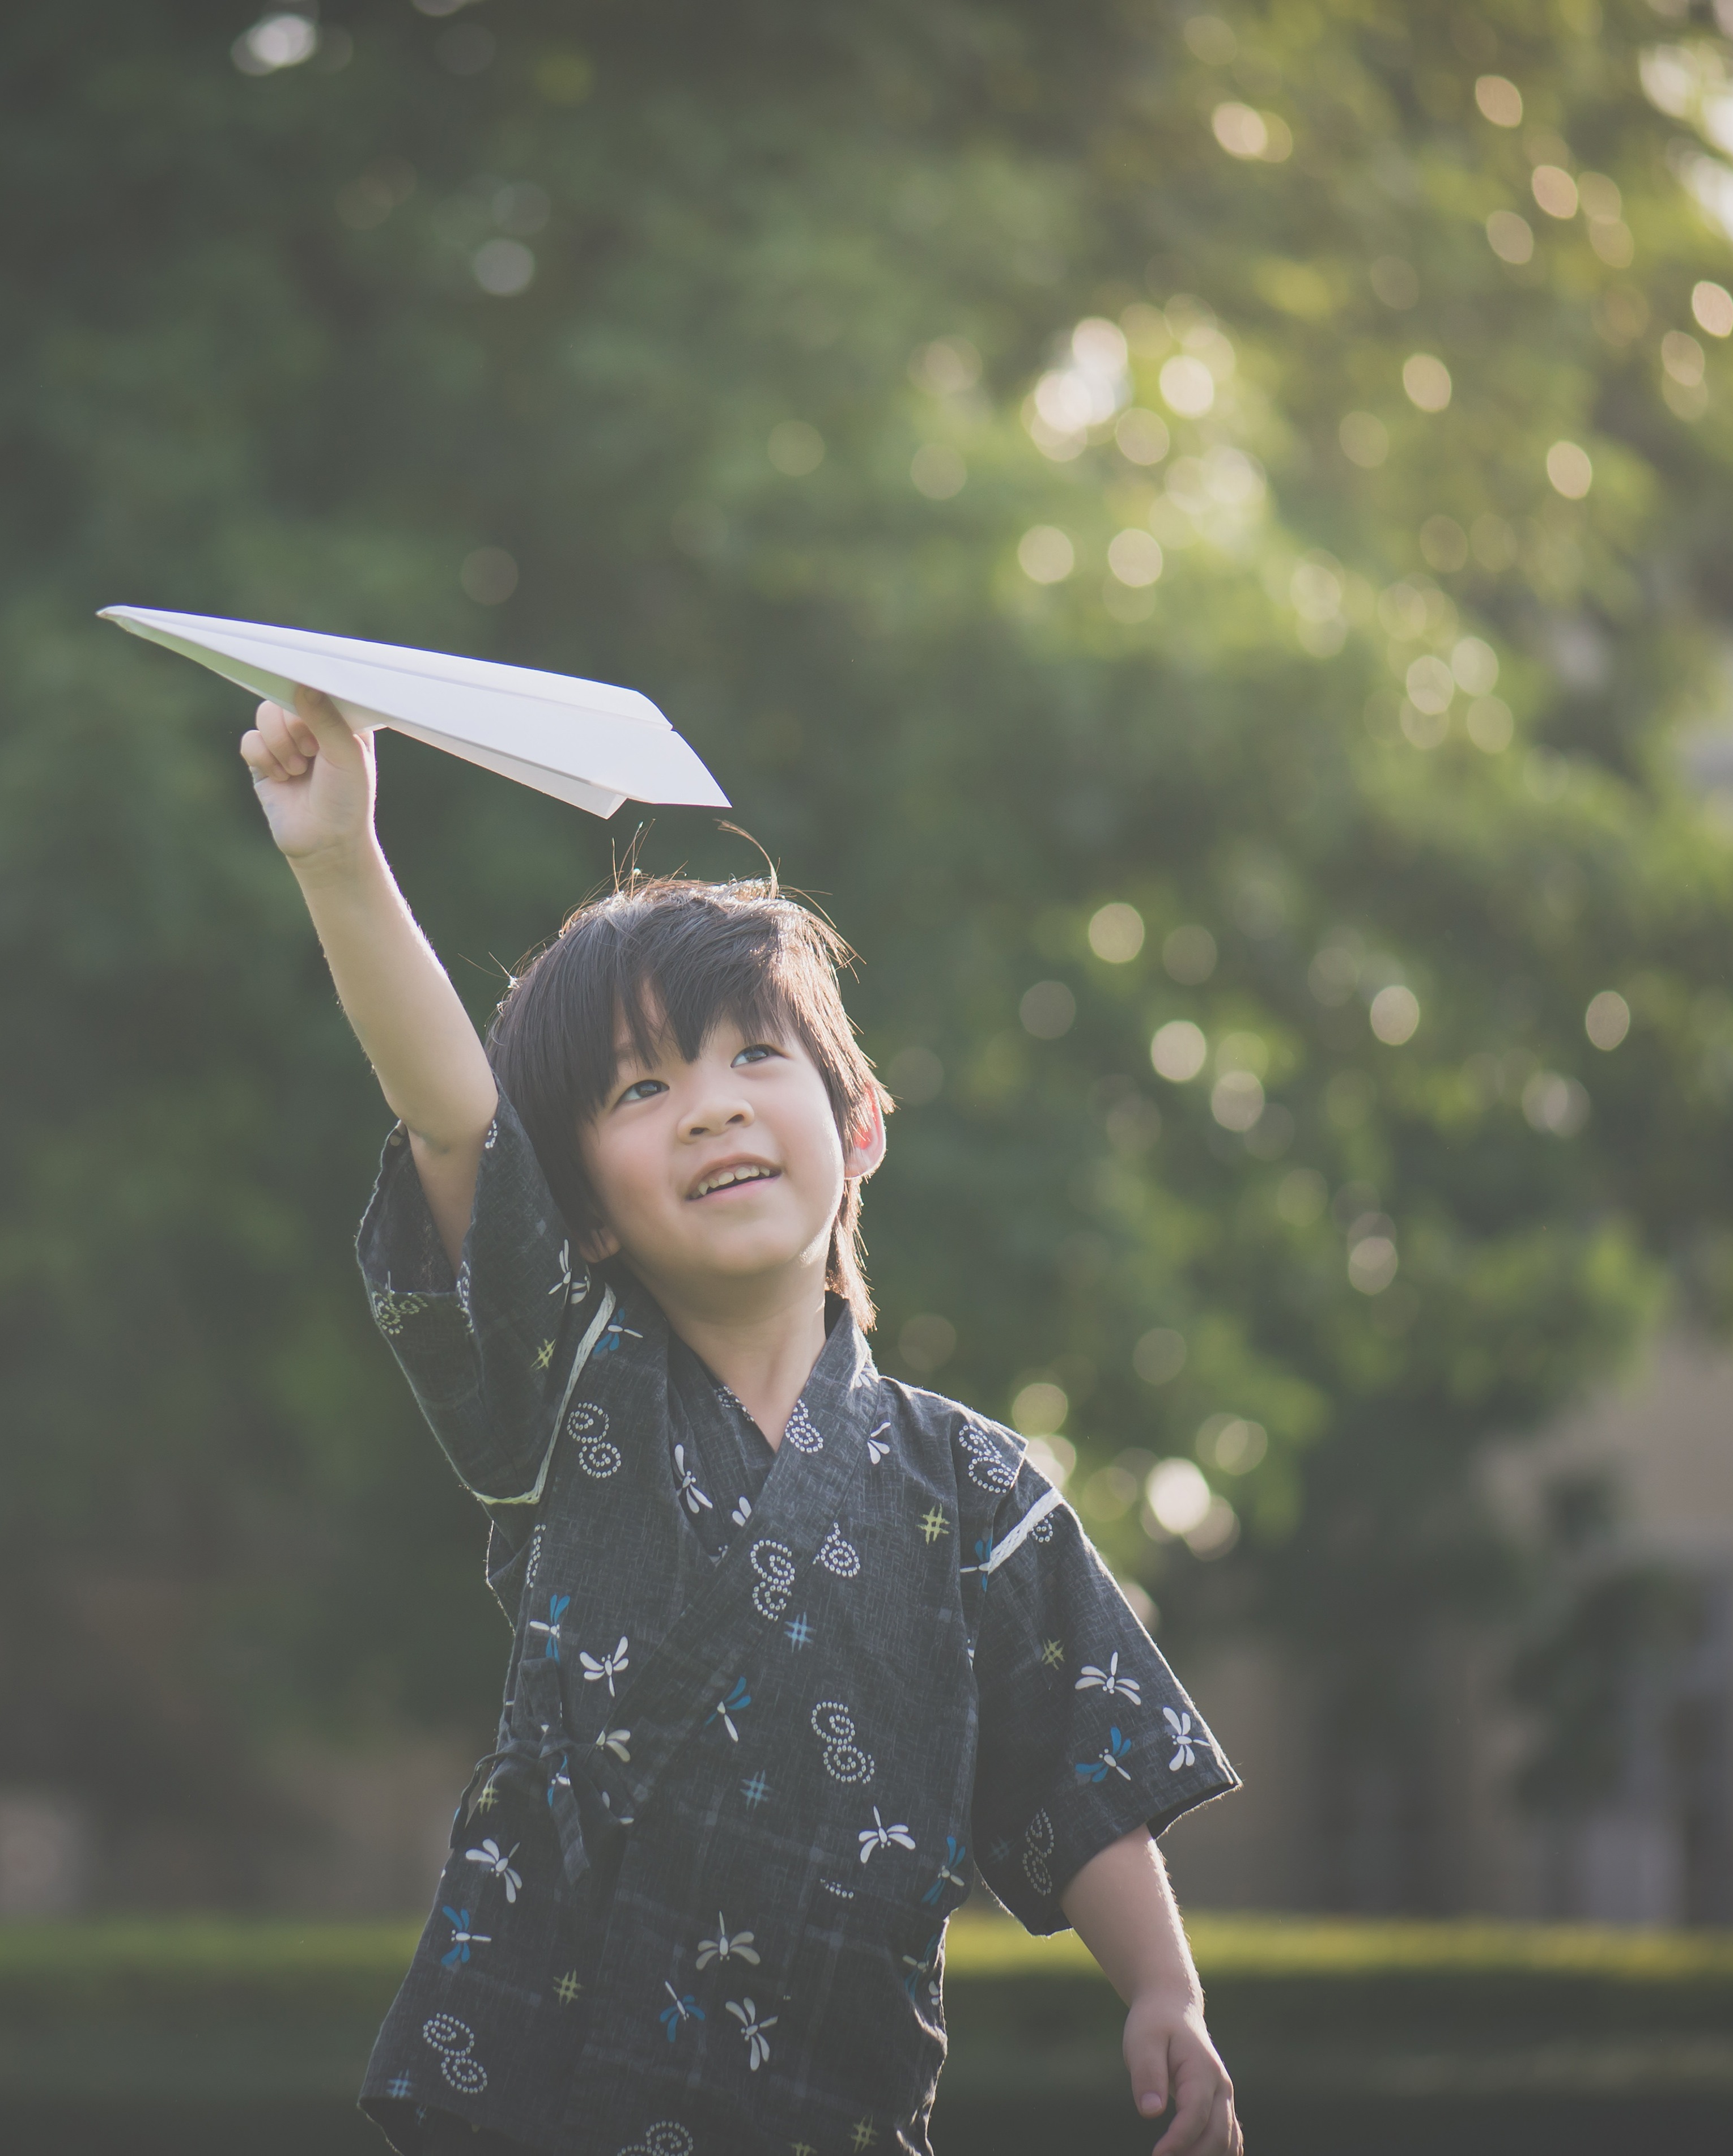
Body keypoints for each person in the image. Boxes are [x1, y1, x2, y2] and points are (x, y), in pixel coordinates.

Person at [240, 686, 1243, 2156]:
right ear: (570, 1211)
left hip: (836, 2114)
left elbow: (1080, 1763)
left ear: (862, 1126)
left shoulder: (969, 1482)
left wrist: (1164, 1990)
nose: (709, 1107)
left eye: (752, 1057)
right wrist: (340, 856)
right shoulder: (568, 1381)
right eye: (642, 1087)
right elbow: (456, 1119)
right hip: (555, 2100)